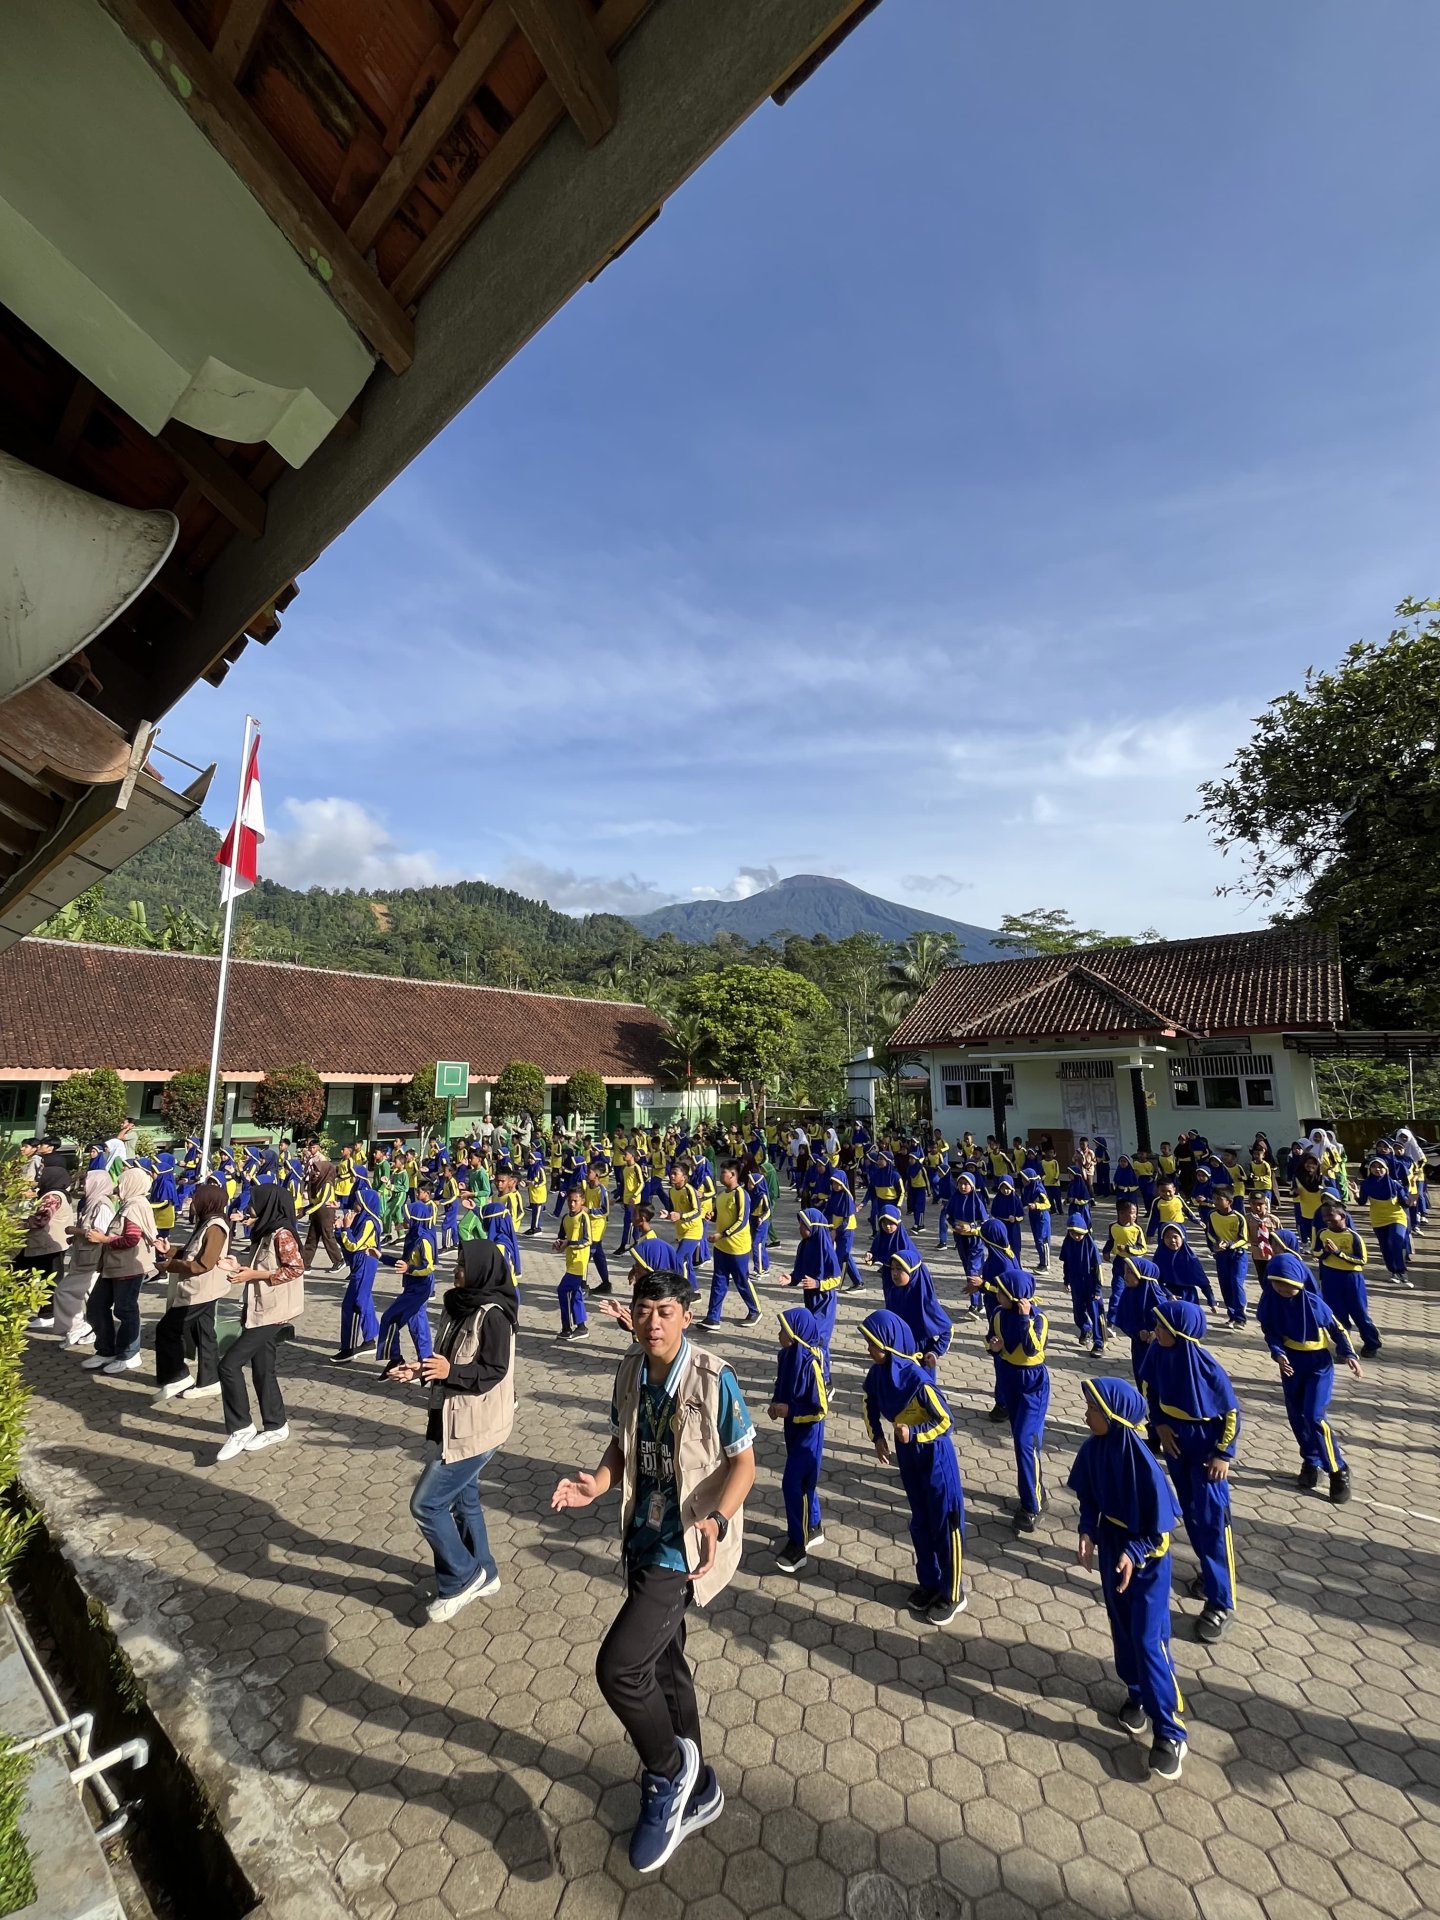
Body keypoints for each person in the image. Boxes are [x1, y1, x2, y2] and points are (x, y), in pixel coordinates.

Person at [551, 1265, 755, 1874]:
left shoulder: (714, 1378)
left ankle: (667, 1773)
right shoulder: (629, 1371)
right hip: (640, 1534)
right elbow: (623, 1445)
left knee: (618, 1668)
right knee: (665, 1665)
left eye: (665, 1312)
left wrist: (717, 1522)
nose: (652, 1322)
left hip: (684, 1547)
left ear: (685, 1316)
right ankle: (700, 1785)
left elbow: (745, 1465)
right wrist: (596, 1484)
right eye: (643, 1310)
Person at [1067, 1377, 1188, 1780]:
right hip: (1112, 1544)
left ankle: (1170, 1730)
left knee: (1148, 1640)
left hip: (1146, 1559)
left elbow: (1159, 1530)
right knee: (1122, 1628)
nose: (1086, 1415)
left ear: (1115, 1418)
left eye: (1093, 1410)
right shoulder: (1094, 1449)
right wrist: (1087, 1530)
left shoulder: (1143, 1466)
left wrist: (1133, 1554)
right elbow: (1090, 1497)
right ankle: (1137, 1693)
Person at [393, 1239, 518, 1624]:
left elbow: (493, 1373)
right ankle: (486, 1573)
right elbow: (447, 1356)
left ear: (481, 1270)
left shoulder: (493, 1315)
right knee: (464, 1502)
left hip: (477, 1426)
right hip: (453, 1418)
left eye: (463, 1264)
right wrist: (420, 1369)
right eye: (458, 1262)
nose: (456, 1269)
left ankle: (462, 1577)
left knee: (426, 1504)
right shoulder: (459, 1304)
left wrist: (452, 1373)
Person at [1139, 1301, 1240, 1645]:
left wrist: (1223, 1454)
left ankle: (1222, 1602)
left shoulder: (1208, 1369)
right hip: (1176, 1446)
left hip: (1205, 1452)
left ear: (1181, 1334)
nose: (1156, 1332)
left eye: (1163, 1327)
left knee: (1213, 1522)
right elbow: (1149, 1392)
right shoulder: (1157, 1353)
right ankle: (1209, 1576)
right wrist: (1160, 1425)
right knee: (1192, 1515)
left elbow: (1230, 1415)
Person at [860, 1309, 966, 1626]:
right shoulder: (879, 1374)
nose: (869, 1350)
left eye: (873, 1344)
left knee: (944, 1523)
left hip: (935, 1458)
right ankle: (929, 1582)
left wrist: (915, 1433)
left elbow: (945, 1421)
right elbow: (869, 1402)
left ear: (890, 1345)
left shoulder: (917, 1380)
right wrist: (878, 1437)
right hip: (909, 1456)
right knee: (920, 1522)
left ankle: (953, 1592)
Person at [1257, 1251, 1361, 1502]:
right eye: (1276, 1283)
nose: (1282, 1289)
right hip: (1291, 1365)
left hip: (1318, 1365)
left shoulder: (1314, 1304)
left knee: (1314, 1415)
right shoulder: (1270, 1301)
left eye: (1288, 1285)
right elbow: (1270, 1332)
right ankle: (1310, 1461)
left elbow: (1337, 1328)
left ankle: (1337, 1469)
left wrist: (1349, 1354)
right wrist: (1278, 1353)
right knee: (1296, 1416)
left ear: (1299, 1283)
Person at [216, 1184, 304, 1460]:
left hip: (273, 1312)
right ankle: (276, 1425)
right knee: (262, 1369)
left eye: (254, 1202)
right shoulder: (265, 1232)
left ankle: (240, 1427)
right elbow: (260, 1266)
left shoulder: (283, 1234)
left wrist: (252, 1275)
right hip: (259, 1308)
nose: (249, 1208)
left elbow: (295, 1268)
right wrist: (237, 1266)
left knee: (228, 1366)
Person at [154, 1179, 230, 1401]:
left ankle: (177, 1376)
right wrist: (171, 1252)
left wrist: (170, 1266)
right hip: (204, 1288)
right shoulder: (207, 1222)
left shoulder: (215, 1227)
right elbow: (193, 1254)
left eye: (196, 1199)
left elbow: (203, 1263)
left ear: (208, 1202)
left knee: (167, 1330)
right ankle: (210, 1380)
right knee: (204, 1334)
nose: (192, 1203)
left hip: (200, 1290)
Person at [986, 1269, 1050, 1533]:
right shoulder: (999, 1315)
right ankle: (1037, 1488)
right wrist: (993, 1347)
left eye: (1001, 1291)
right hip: (1010, 1378)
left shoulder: (1039, 1319)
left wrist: (1024, 1318)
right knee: (1024, 1441)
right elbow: (991, 1340)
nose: (997, 1294)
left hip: (1033, 1384)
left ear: (1016, 1295)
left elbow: (1034, 1348)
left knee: (1026, 1441)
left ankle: (1032, 1506)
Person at [81, 1165, 159, 1375]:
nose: (118, 1187)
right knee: (96, 1307)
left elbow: (131, 1239)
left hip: (128, 1267)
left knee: (125, 1310)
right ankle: (106, 1350)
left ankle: (129, 1354)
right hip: (113, 1266)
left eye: (122, 1182)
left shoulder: (135, 1206)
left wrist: (103, 1239)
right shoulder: (129, 1204)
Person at [767, 1303, 828, 1574]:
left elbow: (820, 1409)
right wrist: (775, 1403)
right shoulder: (786, 1355)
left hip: (809, 1434)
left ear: (798, 1334)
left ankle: (798, 1544)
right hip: (792, 1429)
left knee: (793, 1485)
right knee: (805, 1485)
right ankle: (812, 1525)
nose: (779, 1334)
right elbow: (781, 1386)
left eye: (784, 1330)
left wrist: (791, 1410)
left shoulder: (811, 1363)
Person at [1316, 1199, 1380, 1357]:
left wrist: (1339, 1253)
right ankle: (1344, 1349)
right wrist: (1325, 1252)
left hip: (1352, 1278)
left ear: (1342, 1216)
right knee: (1337, 1315)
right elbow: (1315, 1252)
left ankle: (1372, 1343)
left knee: (1360, 1314)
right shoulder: (1322, 1234)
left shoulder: (1353, 1236)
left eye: (1331, 1216)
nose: (1327, 1220)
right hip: (1331, 1277)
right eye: (1324, 1217)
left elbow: (1362, 1260)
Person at [701, 1160, 759, 1329]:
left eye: (723, 1173)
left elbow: (742, 1221)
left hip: (737, 1247)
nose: (720, 1176)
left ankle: (755, 1310)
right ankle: (713, 1318)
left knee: (742, 1281)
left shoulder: (741, 1194)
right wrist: (711, 1216)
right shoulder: (721, 1194)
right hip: (721, 1246)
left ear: (733, 1175)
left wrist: (722, 1234)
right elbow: (718, 1215)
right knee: (718, 1281)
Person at [20, 1159, 75, 1333]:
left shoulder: (52, 1196)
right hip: (52, 1244)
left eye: (43, 1176)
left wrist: (16, 1223)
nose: (39, 1179)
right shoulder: (58, 1193)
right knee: (49, 1277)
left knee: (45, 1278)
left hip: (45, 1245)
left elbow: (40, 1220)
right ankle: (47, 1312)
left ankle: (47, 1314)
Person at [1357, 1156, 1412, 1286]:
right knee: (1385, 1247)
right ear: (1370, 1169)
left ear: (1386, 1169)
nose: (1377, 1169)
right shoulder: (1366, 1184)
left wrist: (1409, 1201)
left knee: (1395, 1241)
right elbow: (1362, 1202)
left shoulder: (1395, 1184)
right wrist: (1355, 1194)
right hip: (1378, 1219)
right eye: (1374, 1167)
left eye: (1381, 1167)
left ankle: (1402, 1271)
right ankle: (1393, 1272)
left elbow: (1404, 1202)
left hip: (1396, 1216)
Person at [1060, 1210, 1105, 1356]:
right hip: (1076, 1281)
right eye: (1073, 1233)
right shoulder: (1067, 1243)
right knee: (1078, 1312)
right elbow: (1066, 1263)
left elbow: (1098, 1269)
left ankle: (1099, 1343)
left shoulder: (1090, 1245)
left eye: (1080, 1233)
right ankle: (1086, 1329)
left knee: (1095, 1313)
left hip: (1090, 1283)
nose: (1077, 1236)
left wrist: (1097, 1290)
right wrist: (1066, 1280)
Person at [553, 1189, 594, 1342]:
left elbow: (587, 1240)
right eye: (570, 1200)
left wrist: (569, 1243)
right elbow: (561, 1237)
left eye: (575, 1201)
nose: (572, 1204)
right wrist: (558, 1244)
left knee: (563, 1290)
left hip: (580, 1263)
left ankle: (566, 1328)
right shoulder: (566, 1218)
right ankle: (581, 1327)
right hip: (570, 1261)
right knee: (576, 1295)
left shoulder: (583, 1217)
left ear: (582, 1201)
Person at [1205, 1189, 1250, 1329]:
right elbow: (1209, 1233)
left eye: (1219, 1199)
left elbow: (1244, 1239)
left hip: (1238, 1253)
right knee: (1225, 1284)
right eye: (1214, 1199)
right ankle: (1231, 1315)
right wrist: (1217, 1242)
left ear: (1229, 1202)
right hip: (1221, 1254)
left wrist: (1230, 1244)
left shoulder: (1238, 1217)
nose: (1216, 1202)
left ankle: (1240, 1316)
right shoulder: (1212, 1215)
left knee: (1236, 1282)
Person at [297, 1159, 344, 1270]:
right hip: (316, 1212)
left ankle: (338, 1260)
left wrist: (306, 1211)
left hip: (326, 1213)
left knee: (327, 1236)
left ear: (325, 1171)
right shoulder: (315, 1182)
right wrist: (305, 1208)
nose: (316, 1172)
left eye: (318, 1170)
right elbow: (314, 1201)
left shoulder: (327, 1184)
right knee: (312, 1237)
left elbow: (322, 1202)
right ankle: (305, 1263)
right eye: (315, 1170)